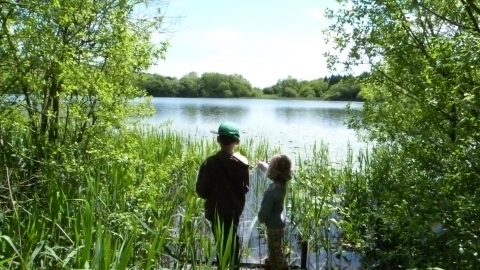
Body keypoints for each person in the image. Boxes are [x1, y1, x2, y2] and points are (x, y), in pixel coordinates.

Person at [196, 121, 250, 270]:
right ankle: (233, 265)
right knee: (232, 236)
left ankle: (223, 265)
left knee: (220, 239)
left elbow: (201, 190)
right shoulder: (243, 165)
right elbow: (245, 188)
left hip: (216, 210)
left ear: (218, 140)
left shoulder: (210, 163)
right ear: (237, 142)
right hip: (234, 210)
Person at [257, 154, 292, 270]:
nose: (268, 168)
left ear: (274, 172)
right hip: (279, 222)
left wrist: (260, 218)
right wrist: (262, 166)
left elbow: (264, 213)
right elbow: (272, 173)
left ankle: (282, 267)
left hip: (273, 226)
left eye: (270, 166)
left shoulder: (271, 193)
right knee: (275, 248)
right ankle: (272, 264)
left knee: (276, 252)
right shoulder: (282, 184)